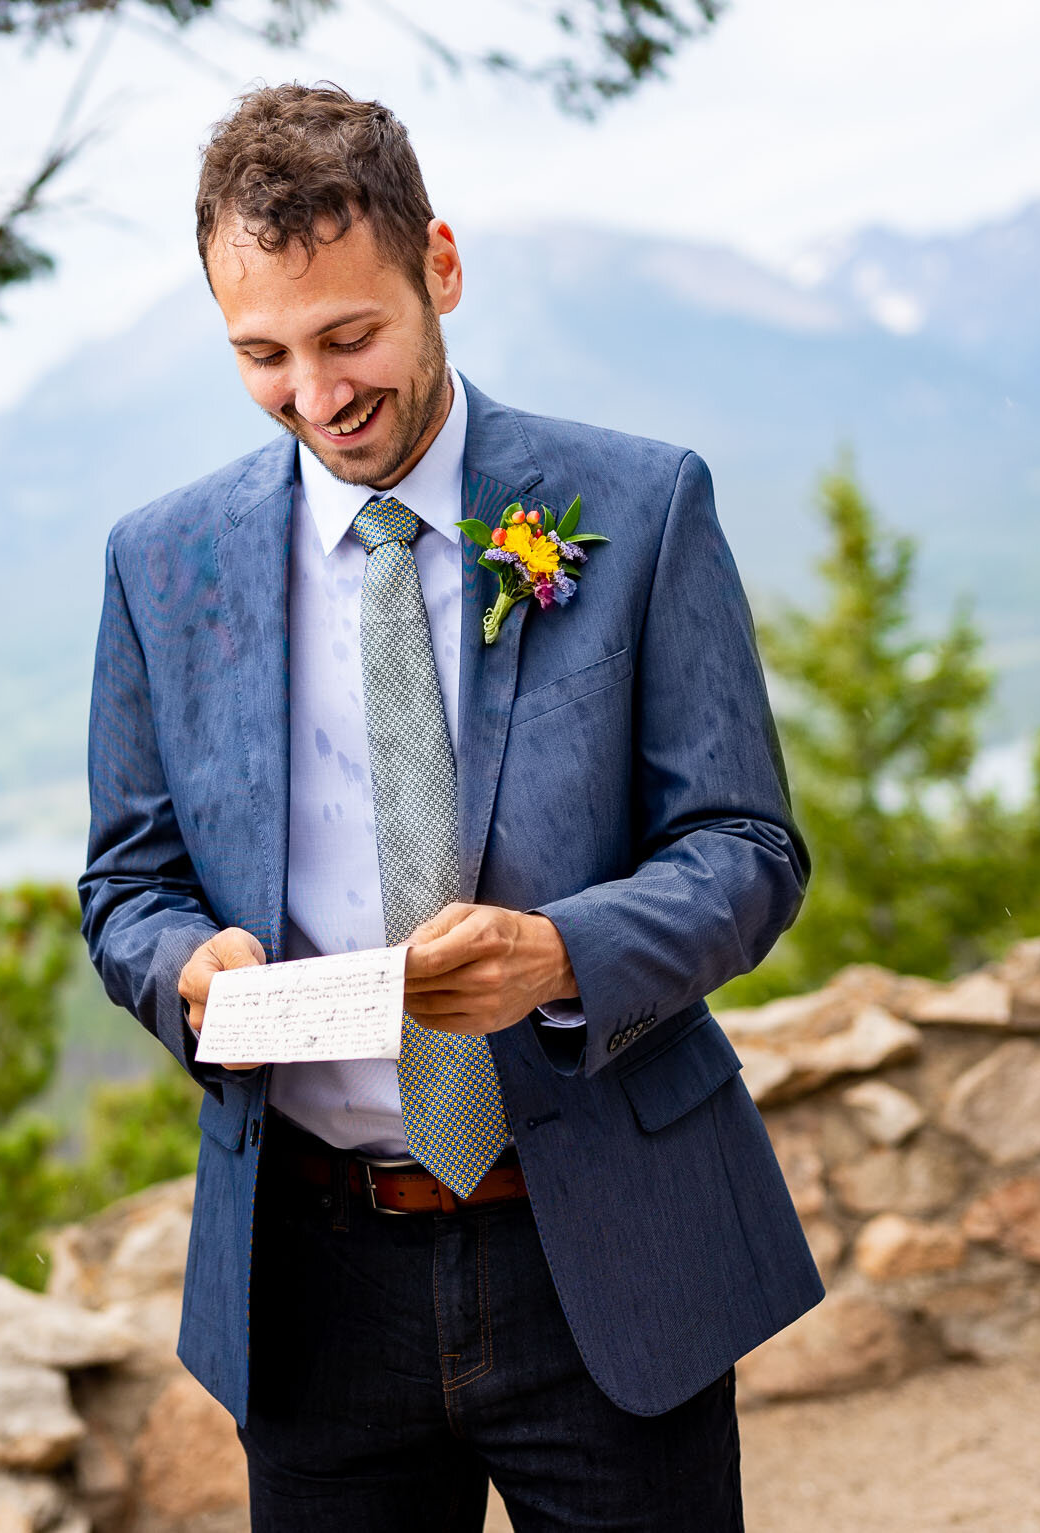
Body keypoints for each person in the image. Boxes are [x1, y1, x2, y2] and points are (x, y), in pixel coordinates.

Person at [79, 84, 820, 1531]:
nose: (316, 393)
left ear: (442, 268)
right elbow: (127, 878)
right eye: (263, 355)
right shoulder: (159, 564)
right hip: (311, 1276)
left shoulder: (643, 501)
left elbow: (749, 849)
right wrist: (184, 965)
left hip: (598, 1241)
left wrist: (563, 955)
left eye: (349, 336)